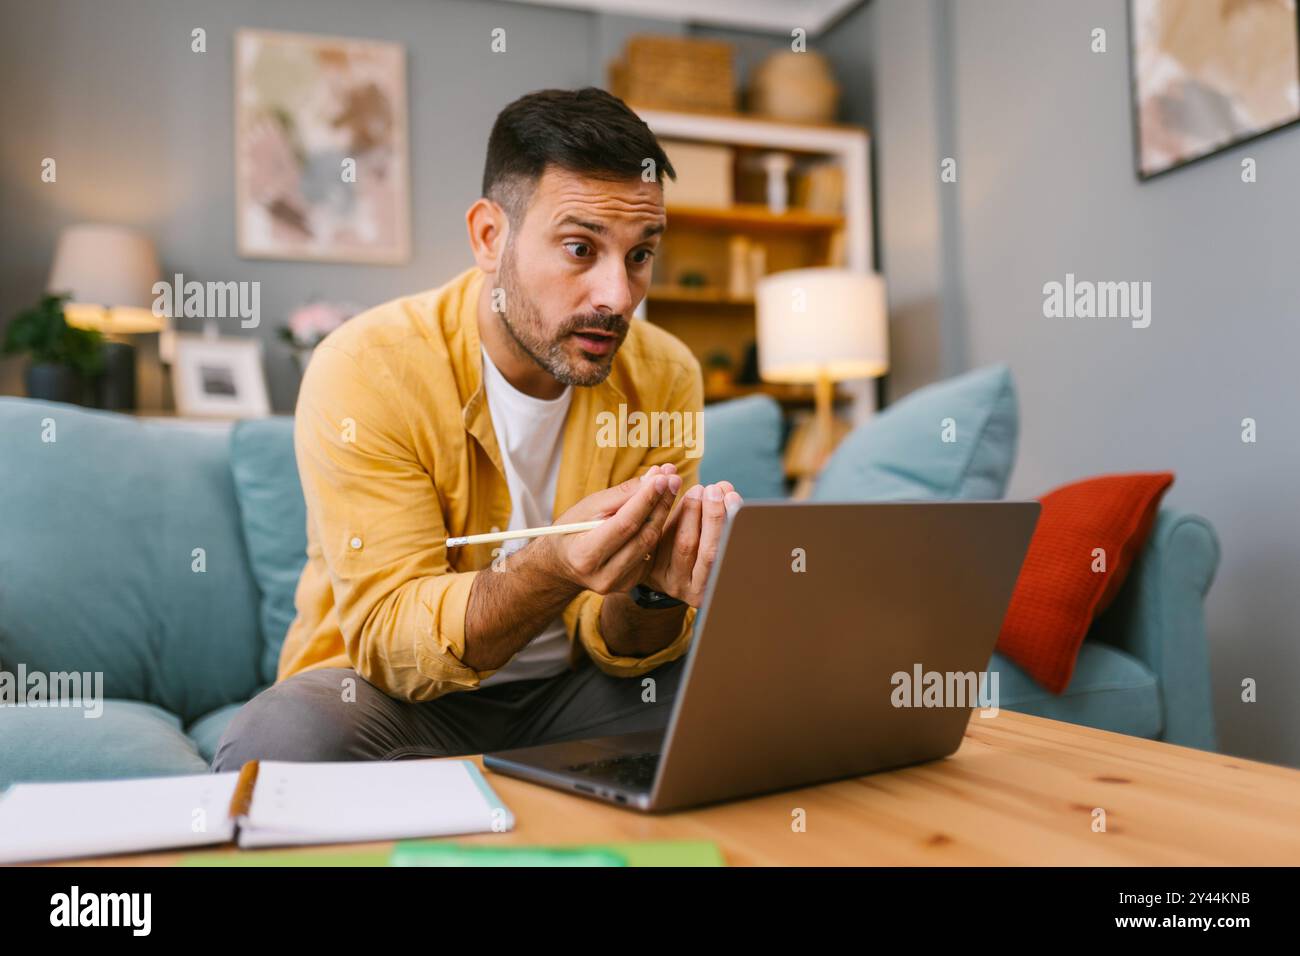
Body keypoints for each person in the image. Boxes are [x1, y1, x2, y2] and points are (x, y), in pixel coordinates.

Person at [213, 88, 743, 769]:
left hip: (571, 697)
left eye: (640, 255)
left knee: (741, 695)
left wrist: (651, 591)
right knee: (282, 742)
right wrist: (553, 567)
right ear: (490, 237)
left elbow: (625, 642)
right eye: (581, 249)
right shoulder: (366, 368)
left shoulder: (665, 374)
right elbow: (392, 641)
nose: (618, 297)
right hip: (390, 702)